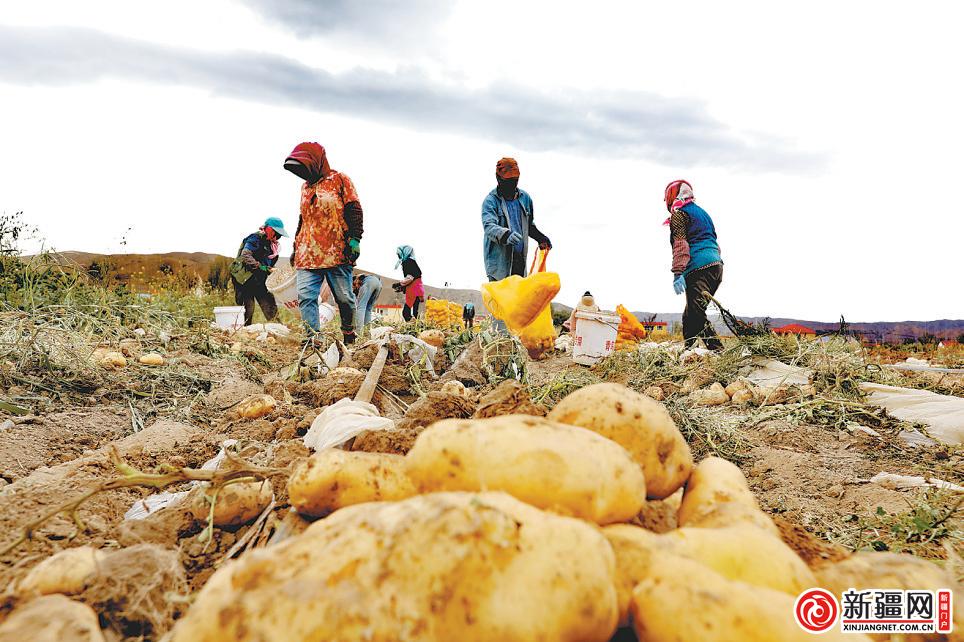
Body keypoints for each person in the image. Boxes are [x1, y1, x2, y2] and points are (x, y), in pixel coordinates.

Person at [283, 142, 362, 343]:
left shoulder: (339, 180)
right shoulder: (305, 187)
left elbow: (354, 208)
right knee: (306, 297)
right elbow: (303, 218)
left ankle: (348, 333)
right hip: (307, 252)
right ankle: (313, 339)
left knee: (344, 298)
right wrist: (295, 247)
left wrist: (354, 238)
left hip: (336, 251)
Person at [665, 179, 724, 350]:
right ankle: (689, 350)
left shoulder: (680, 215)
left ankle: (717, 350)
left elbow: (680, 244)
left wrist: (678, 272)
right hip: (716, 267)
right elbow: (714, 243)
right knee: (691, 313)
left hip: (699, 269)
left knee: (696, 314)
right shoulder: (703, 213)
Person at [481, 157, 552, 282]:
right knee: (501, 301)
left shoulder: (525, 199)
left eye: (515, 181)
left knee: (518, 300)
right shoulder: (491, 201)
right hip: (500, 265)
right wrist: (506, 235)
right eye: (508, 181)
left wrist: (541, 238)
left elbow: (528, 226)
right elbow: (489, 226)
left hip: (519, 261)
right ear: (499, 179)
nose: (512, 185)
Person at [230, 217, 288, 327]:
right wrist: (264, 268)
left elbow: (269, 265)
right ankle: (243, 333)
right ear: (270, 230)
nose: (278, 237)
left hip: (259, 279)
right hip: (244, 279)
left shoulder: (273, 248)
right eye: (277, 233)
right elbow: (246, 256)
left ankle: (279, 330)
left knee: (269, 305)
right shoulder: (255, 238)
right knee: (247, 309)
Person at [393, 245, 424, 321]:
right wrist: (403, 287)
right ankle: (416, 326)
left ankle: (411, 326)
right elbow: (415, 276)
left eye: (399, 253)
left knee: (406, 313)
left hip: (413, 289)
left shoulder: (407, 262)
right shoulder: (412, 261)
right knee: (415, 312)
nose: (398, 255)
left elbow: (410, 277)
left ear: (404, 252)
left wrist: (400, 284)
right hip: (418, 288)